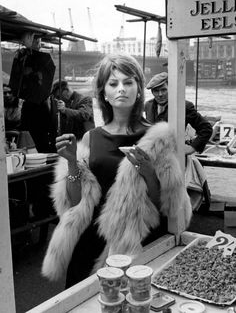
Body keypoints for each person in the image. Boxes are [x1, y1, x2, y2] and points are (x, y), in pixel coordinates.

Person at [42, 53, 192, 288]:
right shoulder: (91, 138)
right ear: (104, 92)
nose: (121, 89)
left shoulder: (157, 138)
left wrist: (147, 171)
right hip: (90, 244)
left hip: (136, 244)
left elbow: (168, 205)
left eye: (128, 82)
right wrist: (72, 162)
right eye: (113, 83)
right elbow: (75, 203)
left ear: (139, 89)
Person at [144, 72, 213, 154]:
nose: (160, 94)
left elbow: (206, 129)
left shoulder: (184, 106)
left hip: (174, 156)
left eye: (163, 90)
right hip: (153, 156)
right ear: (152, 92)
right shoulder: (148, 105)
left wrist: (192, 148)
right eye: (156, 91)